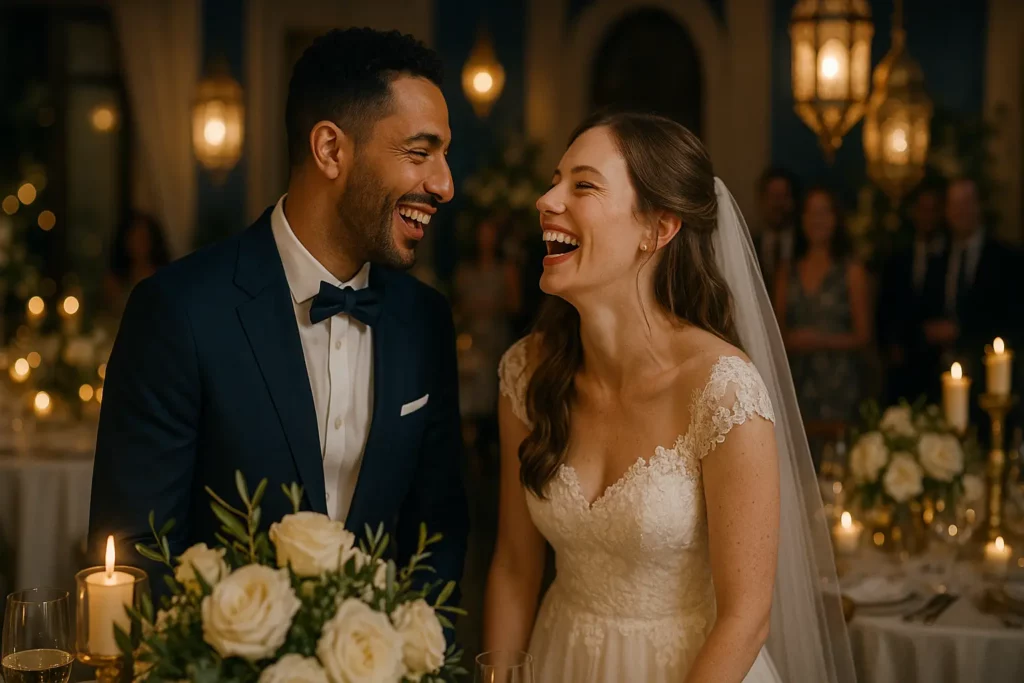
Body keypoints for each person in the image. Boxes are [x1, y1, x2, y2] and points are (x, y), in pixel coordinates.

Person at [88, 29, 468, 606]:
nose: (444, 183)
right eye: (420, 153)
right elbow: (138, 549)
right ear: (331, 150)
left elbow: (436, 533)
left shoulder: (426, 321)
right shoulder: (179, 311)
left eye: (444, 155)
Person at [482, 112, 854, 683]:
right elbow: (513, 566)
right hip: (562, 658)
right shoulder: (525, 374)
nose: (546, 199)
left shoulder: (723, 390)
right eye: (555, 180)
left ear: (657, 229)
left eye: (582, 185)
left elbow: (747, 617)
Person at [774, 187, 870, 453]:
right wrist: (793, 342)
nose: (818, 219)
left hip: (840, 384)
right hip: (797, 382)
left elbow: (864, 336)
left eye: (824, 212)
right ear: (802, 219)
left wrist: (820, 339)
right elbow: (775, 333)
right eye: (811, 212)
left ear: (836, 219)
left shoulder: (851, 271)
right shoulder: (787, 271)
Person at [920, 177, 1023, 391]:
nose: (961, 211)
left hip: (988, 374)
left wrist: (961, 331)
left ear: (978, 206)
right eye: (955, 204)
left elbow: (1012, 317)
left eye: (967, 203)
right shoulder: (938, 258)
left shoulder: (1006, 258)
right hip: (940, 372)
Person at [877, 180, 946, 403]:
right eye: (922, 209)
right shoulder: (899, 254)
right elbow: (885, 304)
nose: (927, 216)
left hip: (937, 358)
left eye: (932, 209)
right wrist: (890, 345)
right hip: (902, 359)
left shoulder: (951, 255)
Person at [104, 212, 171, 316]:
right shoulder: (115, 279)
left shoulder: (163, 279)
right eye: (133, 238)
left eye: (142, 238)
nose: (137, 244)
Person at [753, 167, 799, 287]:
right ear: (761, 200)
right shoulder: (749, 245)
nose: (778, 204)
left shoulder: (805, 245)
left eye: (783, 196)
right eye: (773, 196)